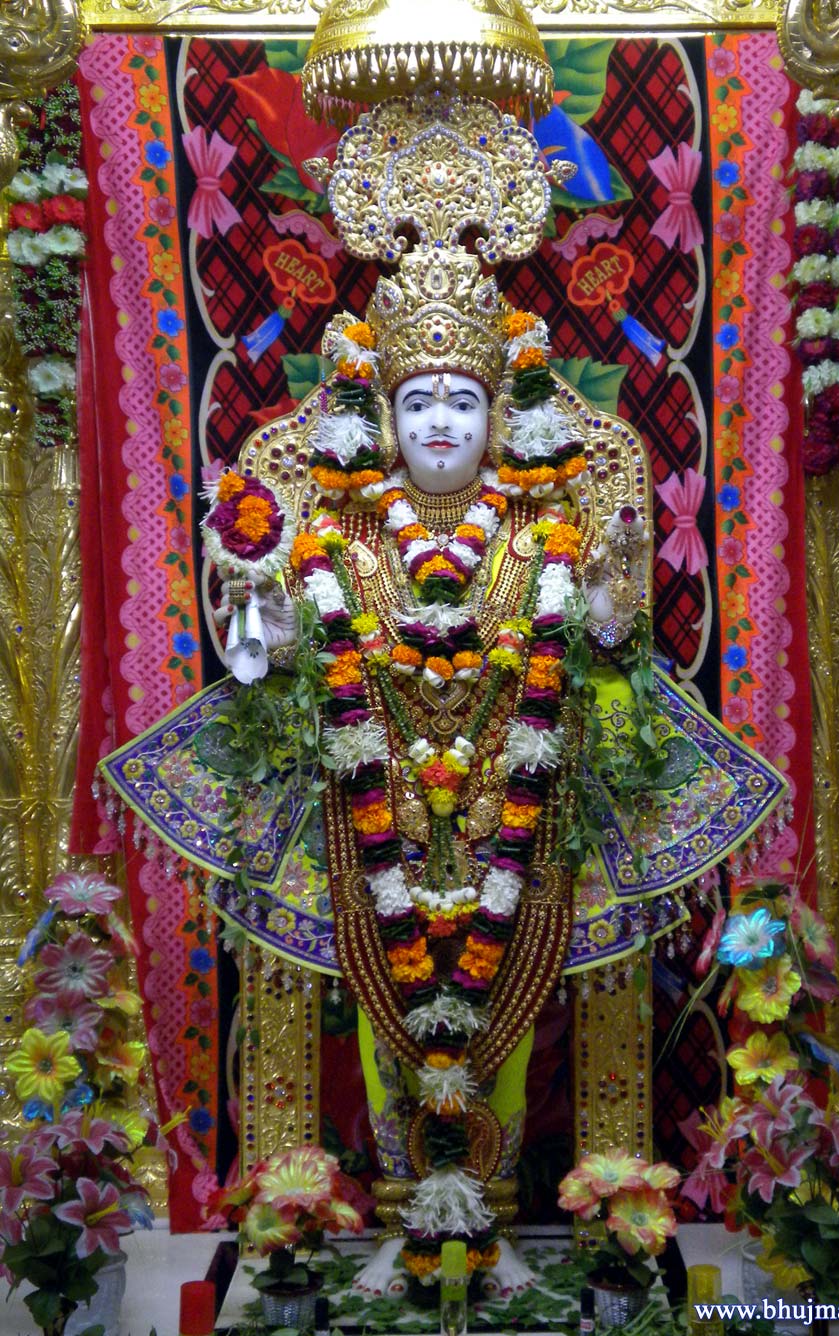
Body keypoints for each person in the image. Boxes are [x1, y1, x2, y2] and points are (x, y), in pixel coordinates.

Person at [101, 90, 786, 1297]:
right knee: (379, 1015)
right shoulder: (334, 526)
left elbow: (606, 657)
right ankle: (353, 1221)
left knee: (511, 1020)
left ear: (496, 413)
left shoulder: (549, 524)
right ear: (380, 411)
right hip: (361, 839)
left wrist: (612, 601)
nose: (434, 422)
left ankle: (534, 1221)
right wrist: (259, 593)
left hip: (526, 832)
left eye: (459, 399)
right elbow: (266, 667)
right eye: (414, 399)